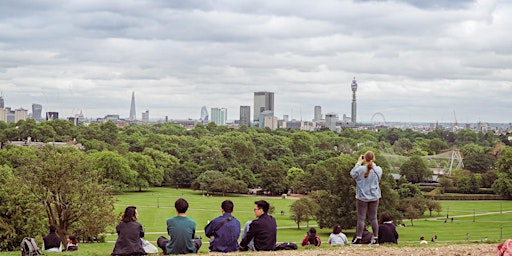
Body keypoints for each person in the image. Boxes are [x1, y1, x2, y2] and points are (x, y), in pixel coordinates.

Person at [350, 151, 382, 246]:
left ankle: (359, 238)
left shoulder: (360, 169)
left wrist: (358, 162)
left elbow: (352, 173)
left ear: (365, 159)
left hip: (362, 197)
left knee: (361, 219)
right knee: (373, 218)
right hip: (374, 196)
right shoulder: (378, 169)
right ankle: (376, 238)